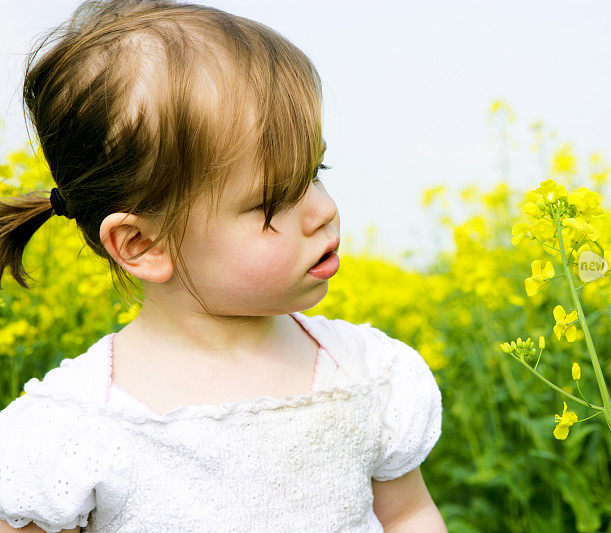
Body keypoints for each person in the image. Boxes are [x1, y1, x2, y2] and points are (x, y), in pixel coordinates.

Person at [0, 1, 445, 531]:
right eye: (272, 200)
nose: (324, 210)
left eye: (315, 172)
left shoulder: (366, 375)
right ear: (142, 244)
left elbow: (408, 514)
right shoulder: (72, 432)